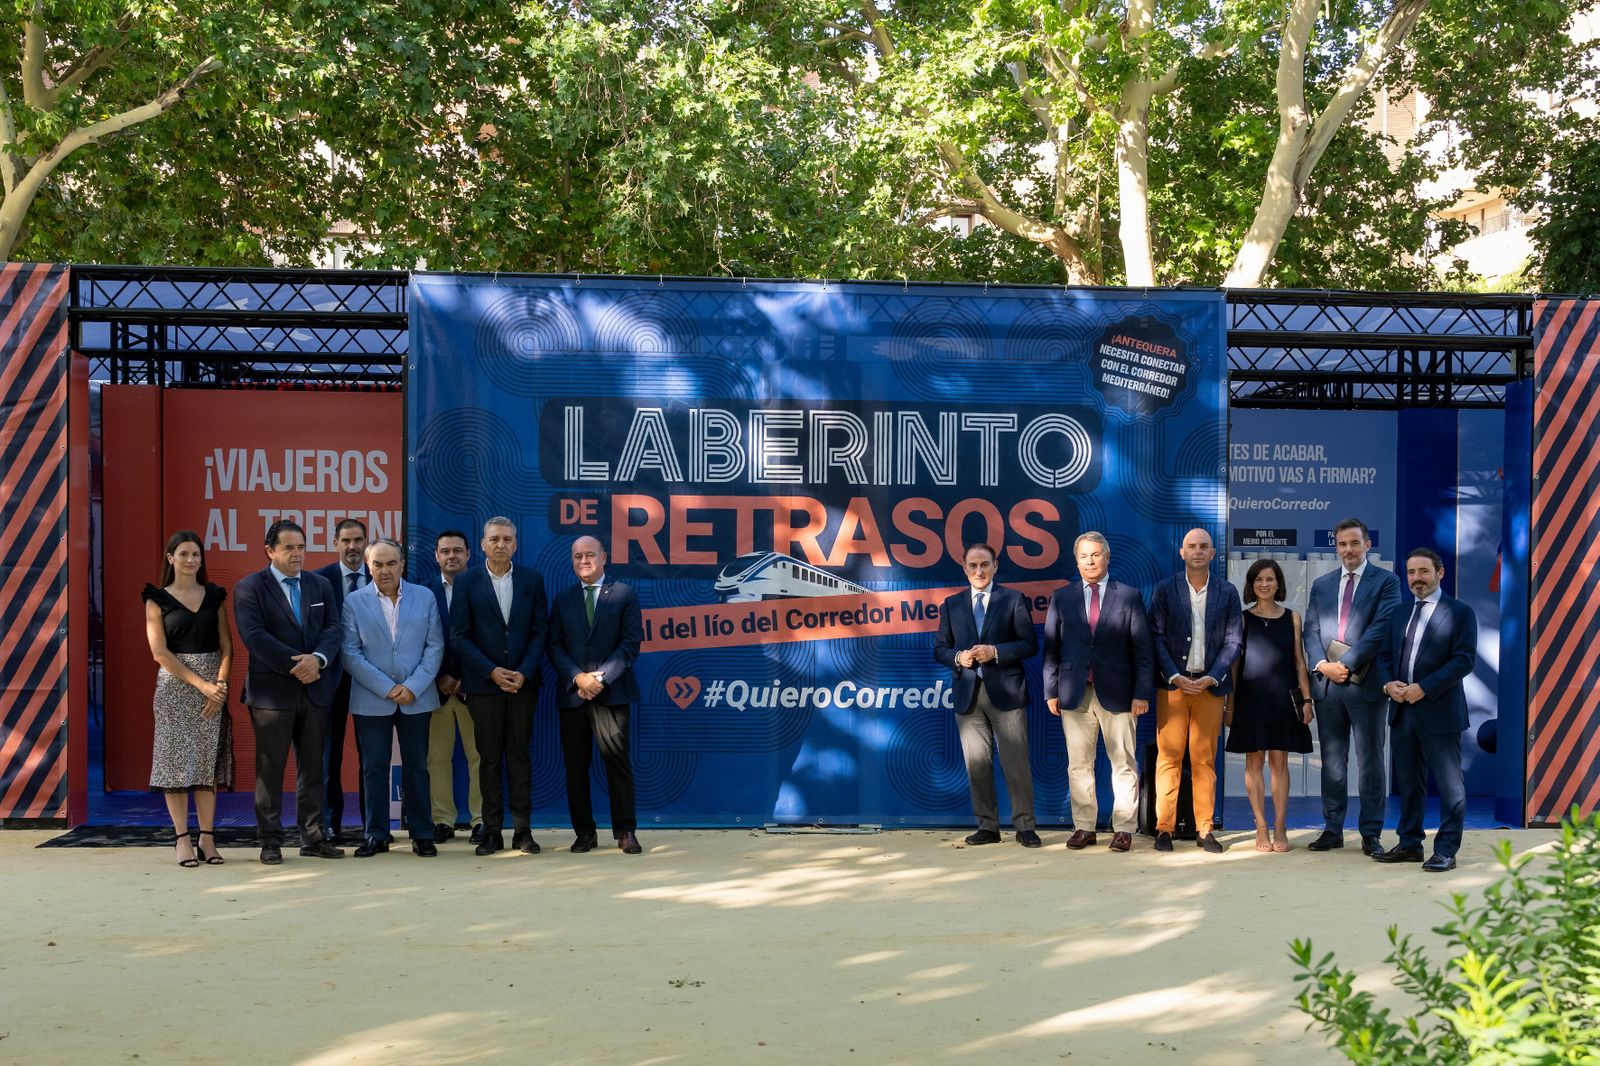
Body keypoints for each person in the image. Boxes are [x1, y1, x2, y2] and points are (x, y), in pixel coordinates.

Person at [233, 519, 344, 864]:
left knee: (313, 768)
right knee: (271, 770)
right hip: (272, 694)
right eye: (289, 548)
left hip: (315, 691)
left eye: (301, 547)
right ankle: (270, 841)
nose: (297, 554)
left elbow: (334, 628)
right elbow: (255, 637)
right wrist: (300, 664)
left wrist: (319, 660)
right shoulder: (249, 587)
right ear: (270, 551)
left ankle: (312, 837)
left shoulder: (320, 585)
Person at [1042, 531, 1155, 853]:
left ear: (1107, 557)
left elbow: (1142, 650)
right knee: (1079, 764)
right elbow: (1051, 648)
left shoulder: (1129, 596)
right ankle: (1084, 827)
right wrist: (1052, 690)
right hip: (1074, 694)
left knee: (1123, 763)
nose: (1090, 561)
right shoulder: (1062, 598)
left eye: (1096, 555)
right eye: (1084, 556)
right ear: (1076, 561)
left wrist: (1141, 692)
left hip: (1119, 693)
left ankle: (1123, 829)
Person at [1373, 548, 1478, 873]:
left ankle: (1446, 849)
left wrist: (1424, 688)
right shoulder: (1400, 613)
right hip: (1403, 710)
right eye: (1412, 572)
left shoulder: (1459, 612)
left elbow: (1463, 660)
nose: (1417, 578)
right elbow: (1384, 656)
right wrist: (1389, 685)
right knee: (1408, 782)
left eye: (1424, 572)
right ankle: (1409, 844)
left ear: (1440, 573)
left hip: (1439, 711)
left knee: (1449, 785)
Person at [1302, 518, 1401, 856]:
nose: (1348, 550)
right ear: (1336, 547)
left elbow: (1381, 628)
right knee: (1332, 761)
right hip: (1328, 686)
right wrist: (1322, 665)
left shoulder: (1387, 582)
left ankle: (1370, 833)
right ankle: (1332, 829)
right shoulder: (1322, 584)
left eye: (1354, 543)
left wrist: (1345, 663)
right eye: (1342, 544)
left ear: (1367, 545)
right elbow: (1310, 630)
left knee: (1371, 761)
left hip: (1367, 686)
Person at [450, 517, 548, 856]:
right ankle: (492, 831)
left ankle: (523, 831)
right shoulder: (466, 583)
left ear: (516, 544)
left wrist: (523, 671)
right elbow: (459, 636)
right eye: (494, 539)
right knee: (489, 759)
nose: (501, 544)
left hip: (523, 685)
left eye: (507, 539)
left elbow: (539, 632)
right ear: (483, 544)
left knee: (519, 757)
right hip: (484, 686)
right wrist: (491, 671)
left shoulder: (532, 580)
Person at [340, 539, 445, 858]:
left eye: (391, 563)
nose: (384, 570)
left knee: (417, 766)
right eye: (377, 564)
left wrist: (413, 686)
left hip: (417, 696)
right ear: (368, 566)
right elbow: (349, 651)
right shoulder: (354, 602)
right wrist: (387, 687)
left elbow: (435, 646)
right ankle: (376, 834)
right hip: (372, 698)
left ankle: (422, 833)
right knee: (373, 767)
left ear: (402, 565)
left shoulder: (424, 597)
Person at [933, 542, 1042, 848]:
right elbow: (940, 649)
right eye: (972, 565)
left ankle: (1025, 827)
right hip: (969, 694)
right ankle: (988, 826)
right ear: (964, 568)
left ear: (995, 566)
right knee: (977, 764)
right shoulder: (951, 605)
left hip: (1006, 693)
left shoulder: (1013, 599)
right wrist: (958, 658)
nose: (978, 571)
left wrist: (995, 651)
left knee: (1015, 764)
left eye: (984, 565)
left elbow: (1028, 644)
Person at [547, 536, 645, 854]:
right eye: (578, 556)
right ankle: (585, 833)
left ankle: (625, 831)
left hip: (611, 694)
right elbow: (555, 646)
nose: (584, 561)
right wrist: (578, 677)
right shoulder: (562, 600)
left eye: (590, 555)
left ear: (604, 557)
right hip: (574, 696)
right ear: (572, 561)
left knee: (618, 765)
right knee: (576, 768)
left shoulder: (624, 595)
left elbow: (630, 645)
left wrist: (598, 679)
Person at [142, 530, 234, 867]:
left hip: (214, 688)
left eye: (195, 554)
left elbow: (227, 646)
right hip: (175, 689)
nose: (190, 560)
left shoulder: (214, 596)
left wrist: (219, 687)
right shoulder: (157, 599)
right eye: (183, 554)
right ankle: (182, 838)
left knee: (206, 766)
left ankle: (208, 838)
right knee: (175, 766)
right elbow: (160, 653)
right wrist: (202, 685)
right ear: (171, 558)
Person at [1148, 528, 1242, 854]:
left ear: (1213, 554)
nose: (1198, 551)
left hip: (1209, 687)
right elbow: (1155, 637)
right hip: (1173, 687)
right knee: (1169, 758)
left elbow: (1234, 641)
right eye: (1192, 546)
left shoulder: (1227, 592)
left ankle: (1205, 829)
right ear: (1182, 553)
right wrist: (1173, 675)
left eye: (1204, 546)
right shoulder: (1165, 590)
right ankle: (1164, 829)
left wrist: (1212, 677)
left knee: (1204, 759)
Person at [1225, 559, 1314, 853]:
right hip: (1250, 700)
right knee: (1254, 762)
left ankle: (1280, 827)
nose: (1265, 584)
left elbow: (1300, 663)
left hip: (1284, 701)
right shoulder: (1241, 619)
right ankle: (1260, 826)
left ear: (1278, 583)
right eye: (1259, 579)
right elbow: (1235, 666)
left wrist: (1307, 700)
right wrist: (1230, 704)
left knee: (1279, 763)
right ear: (1251, 585)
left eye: (1270, 579)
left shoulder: (1293, 618)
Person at [313, 517, 370, 841]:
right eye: (346, 540)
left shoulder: (382, 576)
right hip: (329, 679)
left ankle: (371, 826)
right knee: (327, 756)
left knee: (371, 755)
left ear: (366, 542)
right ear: (336, 543)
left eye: (358, 540)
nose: (352, 547)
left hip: (370, 680)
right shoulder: (320, 580)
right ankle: (328, 824)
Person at [426, 530, 483, 845]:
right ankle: (443, 820)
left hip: (474, 688)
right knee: (437, 758)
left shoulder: (482, 587)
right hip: (435, 689)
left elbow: (488, 639)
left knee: (479, 757)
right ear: (436, 556)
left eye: (457, 551)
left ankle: (480, 820)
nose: (451, 556)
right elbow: (417, 641)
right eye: (445, 551)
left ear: (468, 554)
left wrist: (465, 679)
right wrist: (440, 678)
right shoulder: (423, 592)